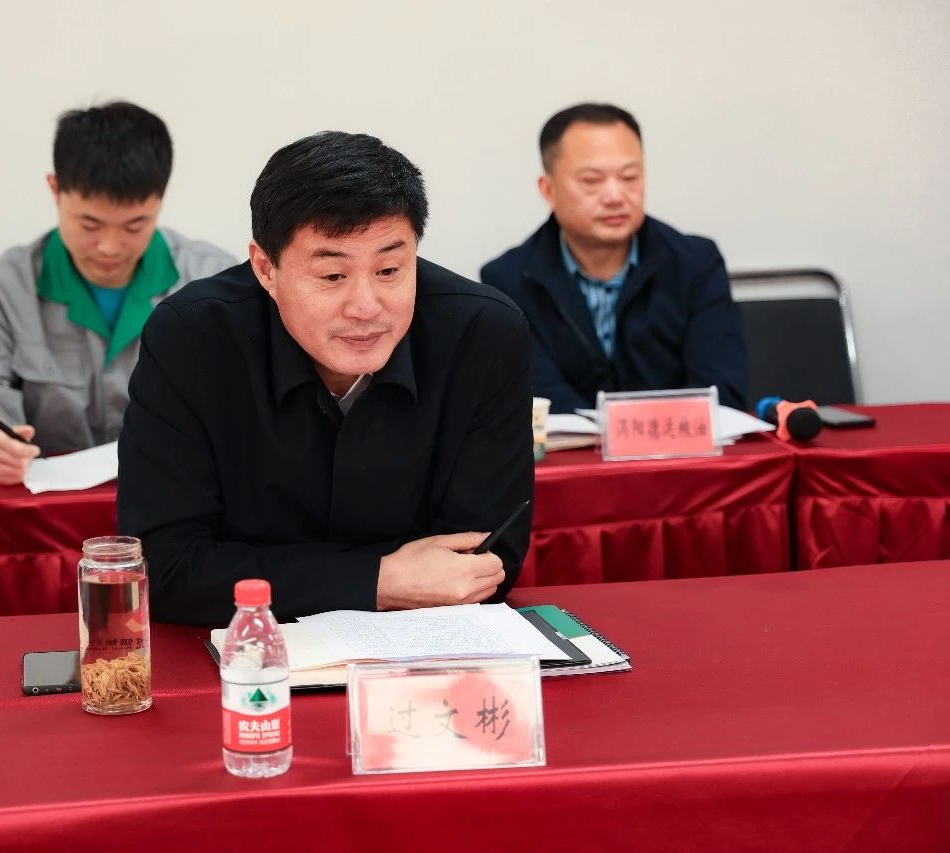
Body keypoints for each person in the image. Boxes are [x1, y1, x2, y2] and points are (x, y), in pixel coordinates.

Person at [117, 131, 533, 626]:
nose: (366, 307)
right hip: (245, 652)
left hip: (427, 650)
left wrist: (272, 575)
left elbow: (482, 562)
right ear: (265, 269)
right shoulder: (192, 337)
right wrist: (379, 580)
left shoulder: (484, 335)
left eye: (390, 270)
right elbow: (165, 566)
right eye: (333, 276)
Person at [0, 101, 235, 483]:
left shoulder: (214, 282)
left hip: (181, 499)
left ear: (160, 200)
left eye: (135, 225)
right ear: (55, 189)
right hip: (49, 509)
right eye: (90, 224)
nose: (109, 247)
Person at [481, 103, 747, 414]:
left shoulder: (696, 265)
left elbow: (721, 391)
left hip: (678, 443)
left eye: (629, 177)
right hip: (570, 446)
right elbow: (536, 398)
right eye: (592, 181)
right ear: (548, 190)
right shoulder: (508, 281)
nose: (615, 196)